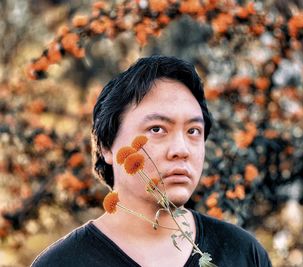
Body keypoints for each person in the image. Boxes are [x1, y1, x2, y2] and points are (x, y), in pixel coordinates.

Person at [31, 55, 272, 267]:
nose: (181, 149)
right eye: (157, 129)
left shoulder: (243, 253)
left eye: (193, 131)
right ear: (107, 147)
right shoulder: (63, 262)